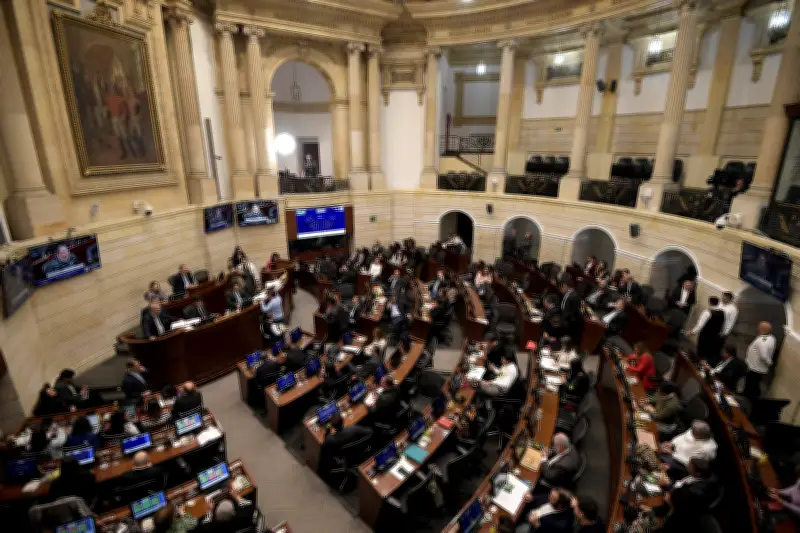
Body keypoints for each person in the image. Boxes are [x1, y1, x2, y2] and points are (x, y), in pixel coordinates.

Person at [657, 457, 720, 531]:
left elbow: (678, 501)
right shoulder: (702, 475)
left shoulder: (694, 492)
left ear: (698, 473)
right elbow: (681, 483)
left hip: (682, 514)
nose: (687, 467)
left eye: (690, 467)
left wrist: (668, 486)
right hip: (678, 494)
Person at [684, 297, 725, 366]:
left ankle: (696, 366)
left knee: (700, 352)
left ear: (710, 302)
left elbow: (700, 325)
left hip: (705, 336)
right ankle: (703, 366)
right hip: (715, 337)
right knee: (708, 353)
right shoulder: (722, 313)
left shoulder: (707, 312)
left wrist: (691, 332)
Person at [743, 321, 776, 403]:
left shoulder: (762, 341)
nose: (757, 328)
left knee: (751, 385)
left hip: (755, 368)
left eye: (759, 327)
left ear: (761, 329)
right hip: (759, 368)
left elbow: (764, 355)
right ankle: (751, 397)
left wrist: (770, 363)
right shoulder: (771, 338)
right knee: (754, 384)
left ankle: (748, 400)